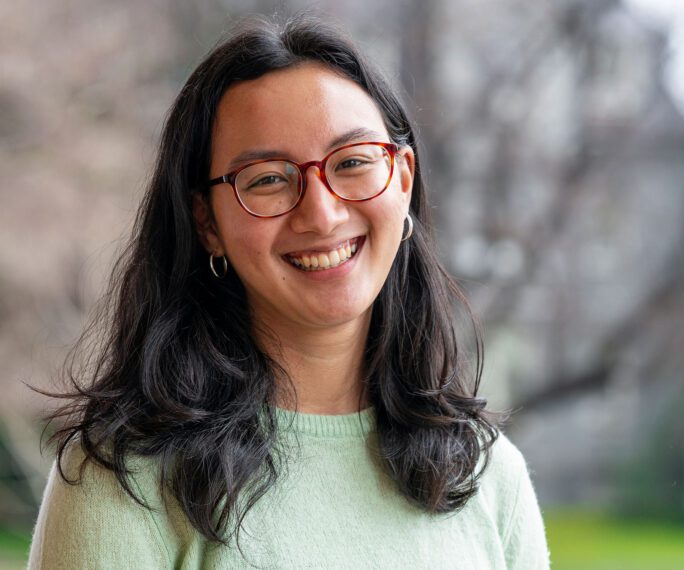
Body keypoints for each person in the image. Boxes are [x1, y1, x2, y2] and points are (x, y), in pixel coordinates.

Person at [28, 14, 551, 569]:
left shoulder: (487, 475)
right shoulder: (125, 479)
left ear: (402, 179)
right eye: (269, 179)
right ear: (207, 223)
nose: (321, 214)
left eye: (352, 163)